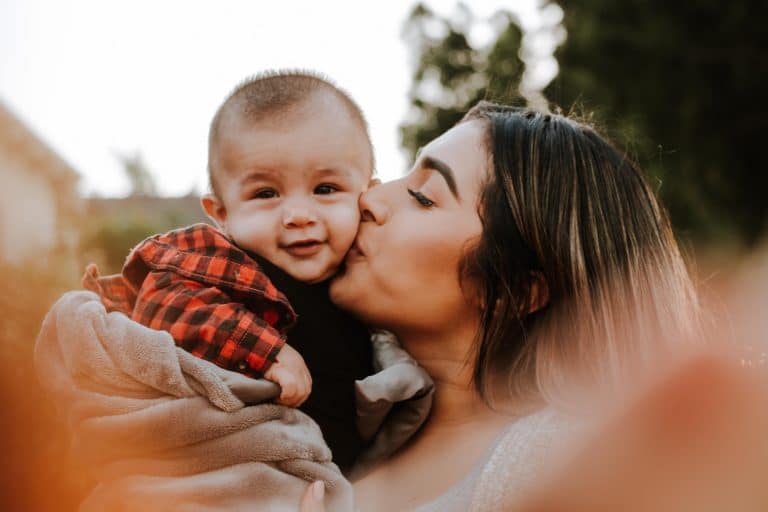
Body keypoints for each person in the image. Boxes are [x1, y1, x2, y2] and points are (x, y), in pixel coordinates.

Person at [300, 101, 700, 510]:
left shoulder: (558, 463)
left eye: (423, 197)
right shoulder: (336, 419)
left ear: (517, 291)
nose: (371, 196)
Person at [82, 70, 377, 473]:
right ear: (222, 214)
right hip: (227, 472)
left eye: (325, 189)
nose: (298, 216)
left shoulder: (371, 276)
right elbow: (165, 302)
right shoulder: (224, 261)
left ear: (369, 195)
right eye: (265, 194)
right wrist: (264, 350)